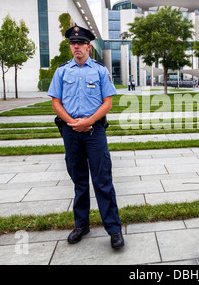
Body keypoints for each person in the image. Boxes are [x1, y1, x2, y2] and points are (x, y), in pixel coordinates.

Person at [47, 25, 124, 249]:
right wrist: (73, 123)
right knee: (79, 181)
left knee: (103, 181)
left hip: (94, 133)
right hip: (71, 133)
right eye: (73, 43)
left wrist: (87, 122)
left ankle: (114, 229)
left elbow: (107, 103)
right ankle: (81, 225)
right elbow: (55, 103)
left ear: (88, 47)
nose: (76, 46)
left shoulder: (99, 71)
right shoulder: (62, 71)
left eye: (80, 43)